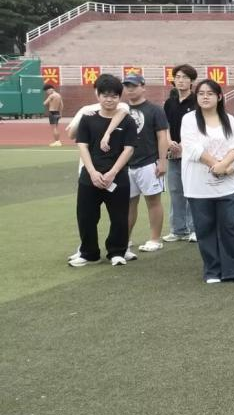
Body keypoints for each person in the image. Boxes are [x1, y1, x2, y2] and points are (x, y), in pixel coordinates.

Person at [181, 79, 234, 283]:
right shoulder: (189, 120)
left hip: (226, 182)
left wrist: (224, 165)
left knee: (231, 225)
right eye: (201, 93)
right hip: (198, 184)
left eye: (210, 93)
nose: (205, 97)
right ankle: (212, 270)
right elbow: (193, 148)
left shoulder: (229, 119)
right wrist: (216, 165)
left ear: (219, 97)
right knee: (205, 228)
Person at [69, 74, 137, 268]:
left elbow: (129, 149)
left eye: (114, 96)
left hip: (117, 177)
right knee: (86, 216)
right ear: (97, 95)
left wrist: (113, 172)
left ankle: (117, 251)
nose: (109, 99)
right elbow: (82, 146)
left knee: (119, 217)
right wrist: (92, 172)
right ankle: (89, 253)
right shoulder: (88, 119)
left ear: (119, 97)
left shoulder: (127, 120)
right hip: (90, 177)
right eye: (105, 95)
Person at [120, 73, 170, 256]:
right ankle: (125, 240)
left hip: (149, 162)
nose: (130, 89)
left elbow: (162, 136)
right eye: (127, 86)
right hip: (126, 164)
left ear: (143, 87)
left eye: (133, 86)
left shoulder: (154, 110)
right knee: (128, 204)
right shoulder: (121, 110)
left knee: (153, 202)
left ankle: (155, 239)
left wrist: (162, 161)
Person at [162, 65, 198, 243]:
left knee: (192, 191)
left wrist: (183, 146)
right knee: (176, 191)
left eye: (184, 77)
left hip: (192, 154)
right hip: (173, 154)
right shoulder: (170, 102)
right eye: (177, 77)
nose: (181, 80)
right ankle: (178, 229)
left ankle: (194, 229)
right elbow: (165, 125)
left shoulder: (197, 102)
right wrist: (169, 142)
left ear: (192, 81)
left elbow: (198, 127)